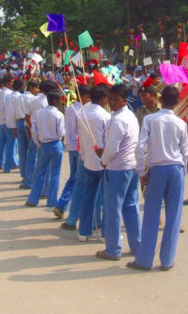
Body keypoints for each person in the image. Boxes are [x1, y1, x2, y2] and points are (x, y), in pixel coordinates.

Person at [130, 85, 188, 271]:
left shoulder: (150, 119)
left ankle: (145, 259)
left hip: (157, 169)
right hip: (176, 168)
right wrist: (182, 172)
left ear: (159, 99)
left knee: (152, 214)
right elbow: (184, 152)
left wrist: (141, 171)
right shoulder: (181, 123)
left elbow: (140, 148)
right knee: (174, 215)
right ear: (177, 102)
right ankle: (167, 260)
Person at [95, 84, 141, 261]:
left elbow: (113, 148)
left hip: (118, 168)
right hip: (131, 166)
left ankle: (113, 249)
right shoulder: (130, 116)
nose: (111, 102)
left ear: (124, 99)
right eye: (110, 98)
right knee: (131, 207)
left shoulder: (119, 119)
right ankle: (137, 245)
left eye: (115, 99)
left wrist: (103, 159)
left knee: (113, 209)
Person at [77, 85, 110, 240]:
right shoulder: (105, 116)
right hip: (102, 162)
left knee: (87, 197)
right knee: (105, 199)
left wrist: (83, 155)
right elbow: (108, 140)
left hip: (88, 160)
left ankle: (84, 232)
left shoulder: (82, 114)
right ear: (103, 99)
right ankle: (104, 233)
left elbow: (81, 140)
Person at [54, 84, 91, 221]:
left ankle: (62, 204)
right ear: (82, 97)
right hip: (78, 147)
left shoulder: (70, 108)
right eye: (88, 97)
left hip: (70, 146)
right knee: (79, 180)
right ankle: (64, 205)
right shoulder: (82, 111)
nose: (89, 100)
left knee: (74, 178)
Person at [25, 88, 65, 207]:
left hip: (43, 144)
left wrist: (38, 143)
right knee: (55, 173)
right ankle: (52, 201)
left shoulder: (39, 113)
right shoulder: (59, 114)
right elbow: (61, 133)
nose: (60, 102)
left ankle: (33, 199)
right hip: (55, 143)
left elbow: (34, 130)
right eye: (59, 100)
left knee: (41, 173)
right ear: (55, 100)